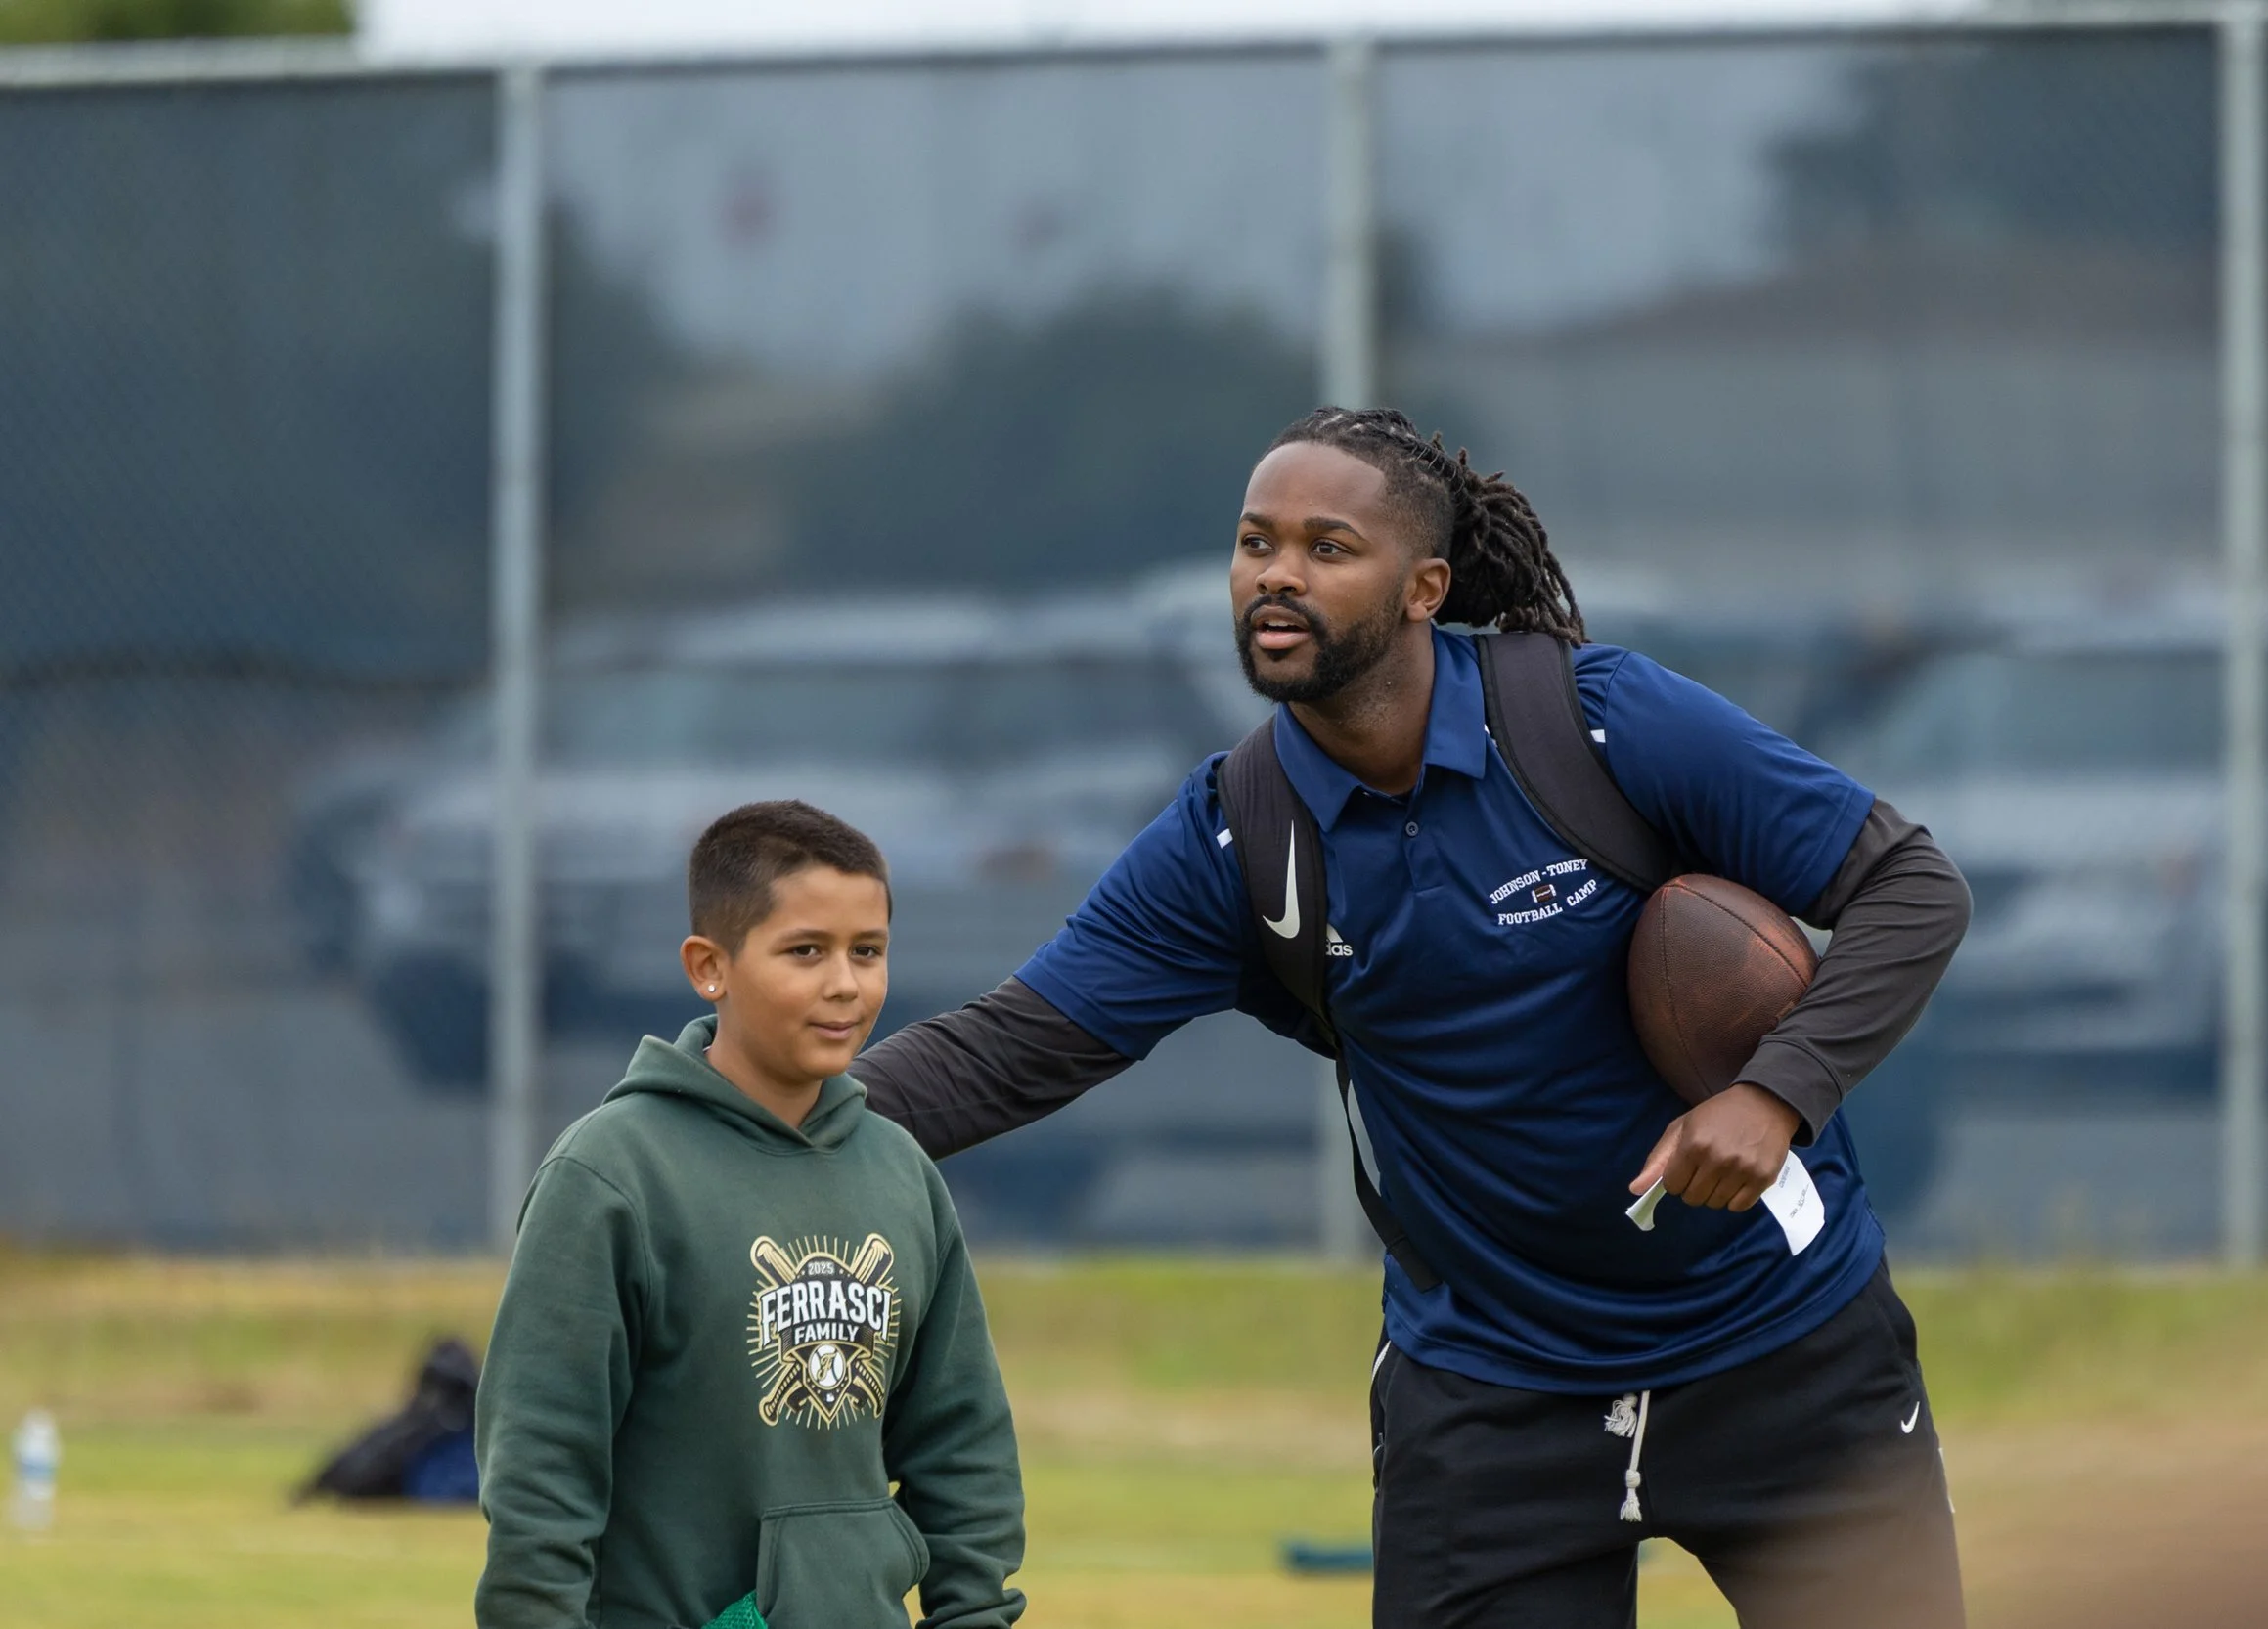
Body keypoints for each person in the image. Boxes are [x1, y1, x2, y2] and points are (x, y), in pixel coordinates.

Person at [857, 407, 1973, 1628]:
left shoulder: (1595, 724)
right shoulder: (1235, 835)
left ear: (1423, 587)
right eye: (1254, 542)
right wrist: (750, 1116)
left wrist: (1775, 1089)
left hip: (1784, 1350)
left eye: (1327, 547)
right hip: (1492, 1394)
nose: (1277, 573)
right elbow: (1010, 1049)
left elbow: (1909, 887)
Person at [474, 801, 1025, 1629]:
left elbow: (963, 1446)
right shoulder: (611, 1174)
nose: (845, 983)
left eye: (866, 952)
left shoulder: (899, 1171)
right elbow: (541, 1474)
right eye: (805, 951)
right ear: (710, 966)